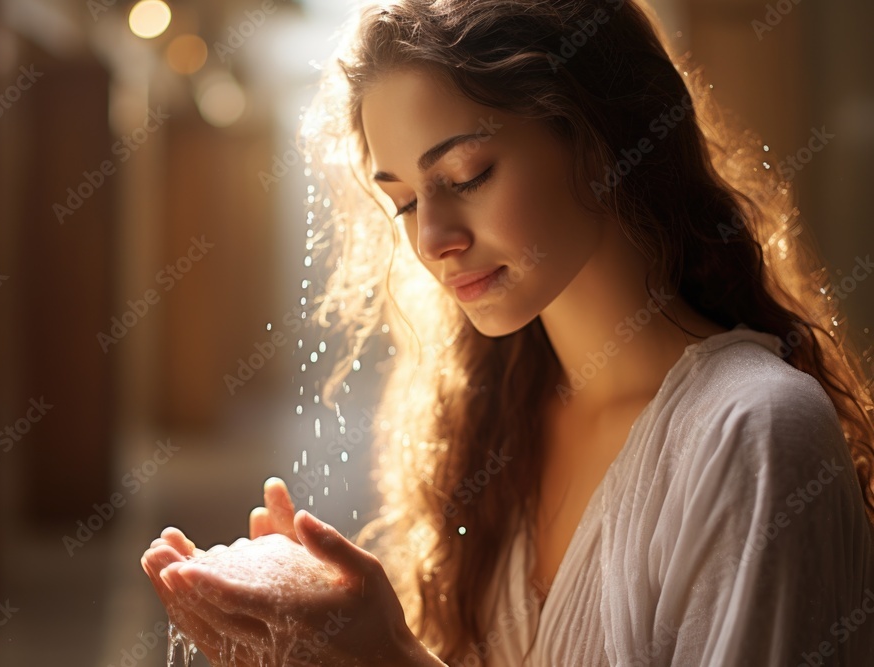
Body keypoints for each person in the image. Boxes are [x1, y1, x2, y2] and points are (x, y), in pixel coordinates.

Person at [141, 1, 874, 664]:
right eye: (401, 202)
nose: (432, 237)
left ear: (600, 136)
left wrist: (390, 656)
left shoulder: (755, 433)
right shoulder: (490, 422)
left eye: (465, 174)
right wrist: (323, 649)